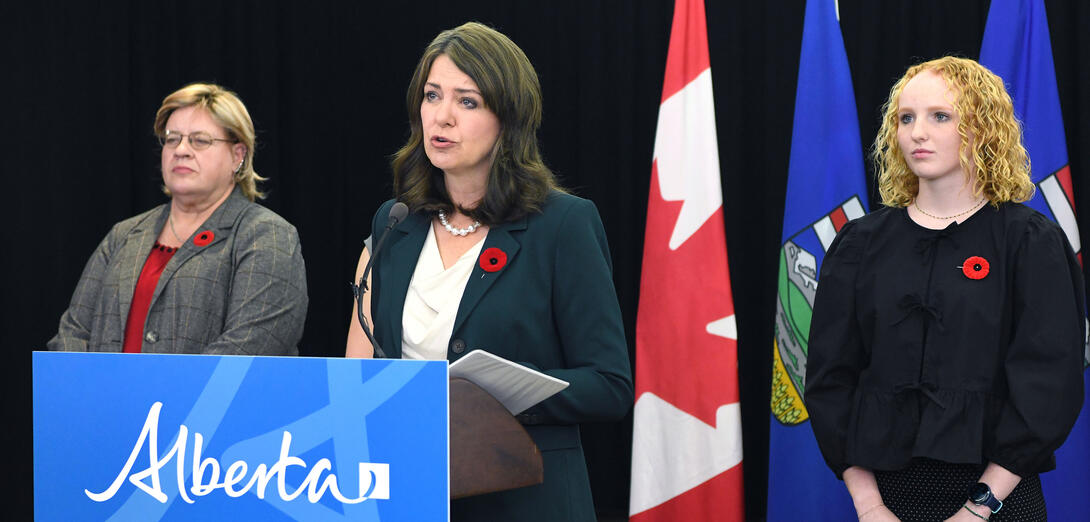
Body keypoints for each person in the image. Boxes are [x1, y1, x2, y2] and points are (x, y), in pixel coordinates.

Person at [345, 22, 633, 521]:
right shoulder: (395, 222)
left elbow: (609, 385)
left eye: (468, 101)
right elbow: (362, 373)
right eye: (432, 95)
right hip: (409, 493)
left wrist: (496, 393)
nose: (443, 116)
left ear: (509, 118)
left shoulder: (561, 225)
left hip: (525, 499)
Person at [806, 56, 1085, 522]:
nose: (918, 132)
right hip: (882, 502)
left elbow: (1049, 385)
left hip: (1000, 501)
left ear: (981, 127)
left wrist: (978, 510)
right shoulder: (859, 244)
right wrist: (870, 505)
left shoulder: (1028, 241)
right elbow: (830, 382)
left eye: (940, 116)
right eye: (906, 118)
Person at [49, 83, 307, 355]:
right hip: (106, 399)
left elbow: (248, 349)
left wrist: (160, 398)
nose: (181, 149)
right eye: (172, 138)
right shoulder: (124, 235)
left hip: (207, 399)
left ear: (237, 156)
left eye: (200, 140)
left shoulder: (267, 235)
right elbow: (73, 333)